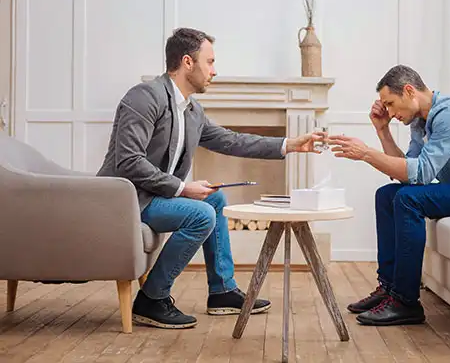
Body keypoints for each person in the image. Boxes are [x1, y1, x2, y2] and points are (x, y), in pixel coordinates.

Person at [97, 27, 325, 329]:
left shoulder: (191, 111)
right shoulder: (144, 98)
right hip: (125, 200)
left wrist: (290, 144)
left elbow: (231, 140)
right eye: (210, 62)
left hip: (152, 196)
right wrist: (181, 187)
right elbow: (128, 161)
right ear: (187, 62)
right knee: (201, 215)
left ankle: (222, 291)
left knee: (214, 198)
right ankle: (151, 298)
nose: (214, 71)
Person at [328, 64, 450, 326]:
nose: (391, 113)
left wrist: (365, 154)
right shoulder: (420, 122)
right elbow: (405, 171)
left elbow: (420, 174)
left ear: (409, 91)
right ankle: (389, 288)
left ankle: (405, 302)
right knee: (387, 195)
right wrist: (382, 131)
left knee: (408, 199)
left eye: (391, 104)